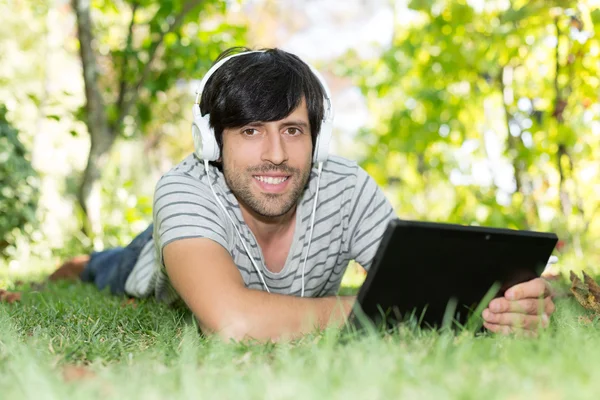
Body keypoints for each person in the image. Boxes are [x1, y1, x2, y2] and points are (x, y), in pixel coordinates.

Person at [50, 47, 555, 341]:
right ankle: (77, 261)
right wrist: (389, 309)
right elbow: (233, 321)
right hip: (150, 261)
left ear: (319, 137)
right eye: (250, 131)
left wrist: (507, 301)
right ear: (212, 141)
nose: (276, 154)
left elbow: (423, 279)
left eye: (292, 130)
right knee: (104, 267)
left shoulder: (346, 185)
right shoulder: (185, 188)